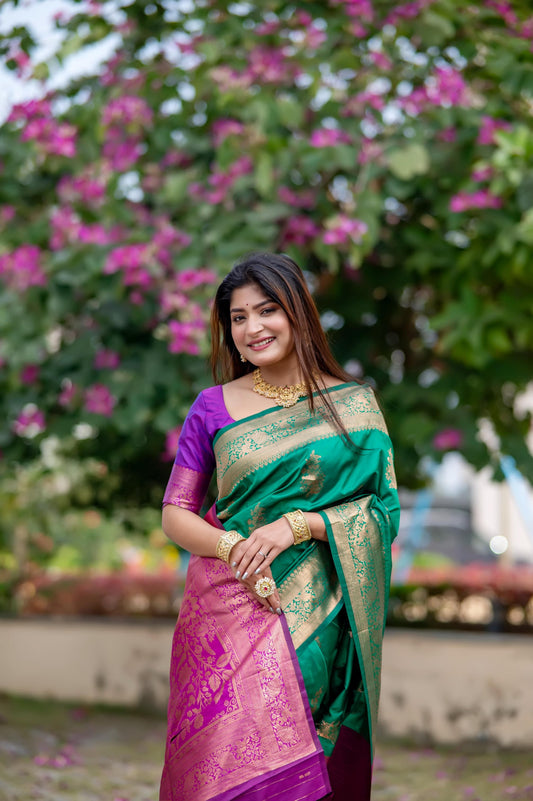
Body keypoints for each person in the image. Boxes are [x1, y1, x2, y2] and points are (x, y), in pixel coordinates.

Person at [159, 253, 400, 801]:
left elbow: (382, 513)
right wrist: (232, 546)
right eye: (237, 318)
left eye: (266, 311)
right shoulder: (212, 407)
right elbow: (176, 512)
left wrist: (298, 525)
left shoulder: (355, 406)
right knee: (219, 770)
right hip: (228, 609)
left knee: (303, 768)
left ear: (297, 313)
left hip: (321, 617)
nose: (252, 328)